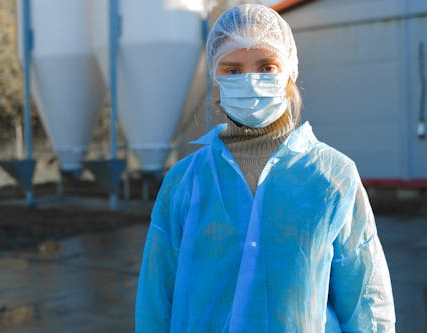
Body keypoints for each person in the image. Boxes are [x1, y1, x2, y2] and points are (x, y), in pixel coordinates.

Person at [135, 4, 395, 332]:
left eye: (266, 66)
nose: (251, 82)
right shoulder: (185, 181)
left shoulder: (332, 175)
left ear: (289, 71)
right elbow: (156, 301)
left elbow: (366, 303)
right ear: (216, 75)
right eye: (233, 70)